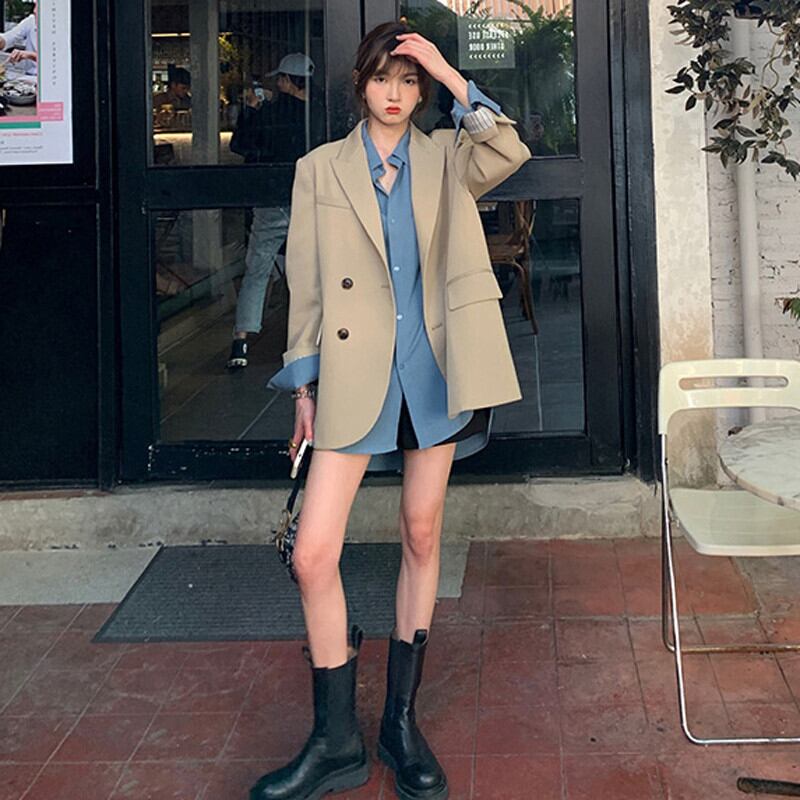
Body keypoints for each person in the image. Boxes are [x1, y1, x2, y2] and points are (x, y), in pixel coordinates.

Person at [253, 21, 530, 800]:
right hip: (353, 374)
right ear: (360, 85)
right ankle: (335, 741)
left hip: (431, 371)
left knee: (420, 532)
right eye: (385, 79)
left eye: (410, 82)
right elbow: (307, 289)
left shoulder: (445, 156)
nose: (397, 94)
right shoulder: (320, 169)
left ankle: (399, 726)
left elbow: (509, 149)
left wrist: (448, 70)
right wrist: (303, 391)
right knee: (312, 554)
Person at [226, 53, 325, 369]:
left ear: (287, 81)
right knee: (316, 270)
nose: (277, 84)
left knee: (258, 268)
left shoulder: (270, 112)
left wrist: (250, 112)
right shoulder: (321, 114)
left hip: (272, 200)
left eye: (280, 79)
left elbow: (240, 146)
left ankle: (241, 340)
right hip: (311, 200)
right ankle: (315, 338)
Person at [0, 4, 37, 76]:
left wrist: (32, 55)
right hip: (29, 77)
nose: (34, 11)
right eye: (35, 5)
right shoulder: (31, 21)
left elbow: (57, 60)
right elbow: (8, 38)